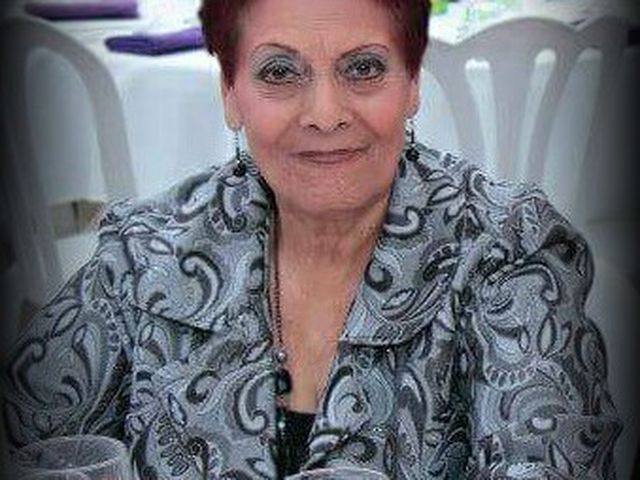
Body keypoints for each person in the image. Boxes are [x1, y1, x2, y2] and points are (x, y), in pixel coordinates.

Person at [1, 0, 621, 478]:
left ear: (412, 83)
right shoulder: (146, 253)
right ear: (229, 93)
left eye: (363, 68)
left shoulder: (507, 252)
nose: (325, 113)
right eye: (279, 71)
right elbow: (25, 435)